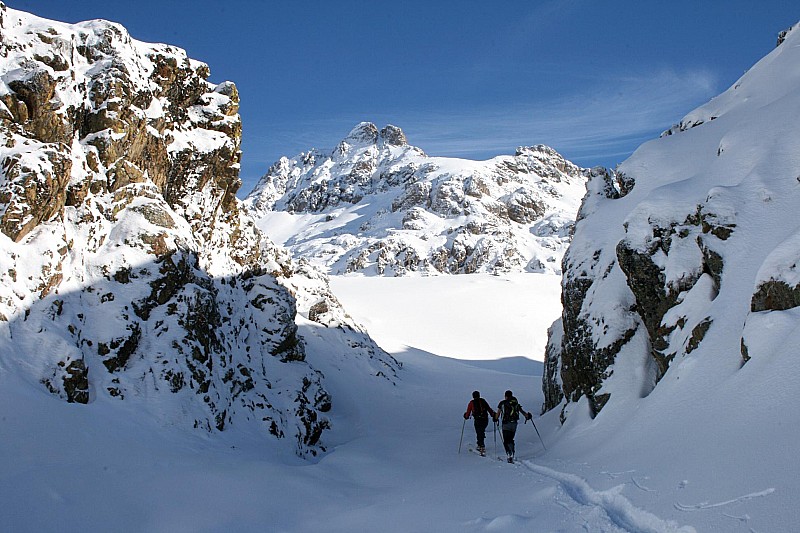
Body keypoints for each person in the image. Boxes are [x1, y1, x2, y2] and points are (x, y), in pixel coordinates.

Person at [494, 390, 532, 463]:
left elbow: (498, 414)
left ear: (506, 396)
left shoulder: (502, 403)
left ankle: (509, 453)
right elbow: (522, 412)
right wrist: (528, 416)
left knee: (506, 440)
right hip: (514, 423)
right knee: (511, 438)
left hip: (506, 424)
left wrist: (495, 418)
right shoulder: (515, 403)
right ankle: (512, 453)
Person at [463, 390, 496, 456]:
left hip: (478, 419)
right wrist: (493, 415)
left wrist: (466, 416)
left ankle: (481, 446)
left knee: (479, 431)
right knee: (481, 431)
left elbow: (468, 412)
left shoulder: (471, 403)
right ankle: (480, 444)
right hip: (485, 419)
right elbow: (489, 409)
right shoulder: (483, 401)